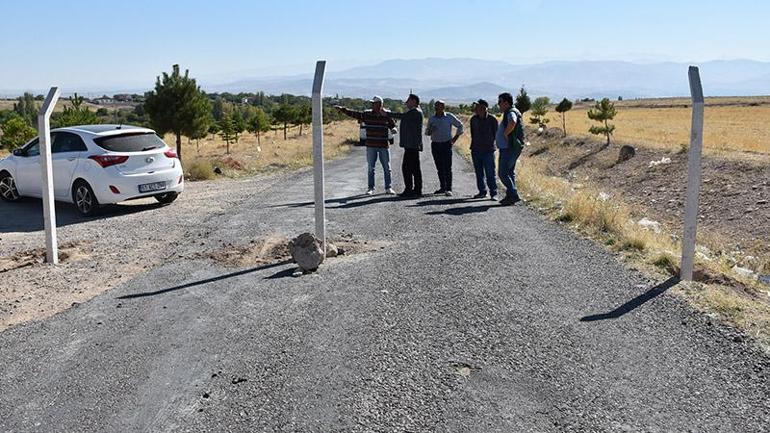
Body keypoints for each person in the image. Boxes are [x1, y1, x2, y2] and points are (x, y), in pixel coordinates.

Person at [336, 96, 396, 195]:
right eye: (372, 103)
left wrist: (394, 129)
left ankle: (388, 188)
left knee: (386, 167)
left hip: (383, 145)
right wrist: (343, 110)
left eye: (374, 103)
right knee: (371, 168)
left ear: (380, 104)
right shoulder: (367, 114)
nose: (372, 105)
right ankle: (370, 188)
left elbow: (392, 125)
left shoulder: (386, 115)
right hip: (371, 145)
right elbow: (354, 114)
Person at [386, 93, 424, 198]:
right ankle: (415, 190)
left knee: (408, 168)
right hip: (411, 145)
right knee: (413, 168)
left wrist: (387, 113)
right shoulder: (414, 112)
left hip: (412, 145)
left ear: (414, 101)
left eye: (408, 100)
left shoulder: (415, 112)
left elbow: (401, 116)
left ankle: (412, 190)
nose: (406, 102)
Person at [425, 100, 463, 196]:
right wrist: (430, 130)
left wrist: (455, 138)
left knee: (447, 167)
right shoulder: (432, 118)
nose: (436, 108)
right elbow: (427, 133)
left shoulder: (449, 117)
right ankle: (443, 187)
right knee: (439, 167)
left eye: (438, 106)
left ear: (443, 107)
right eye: (435, 106)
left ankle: (448, 188)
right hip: (435, 144)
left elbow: (460, 125)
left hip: (446, 144)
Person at [495, 92, 524, 205]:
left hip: (509, 147)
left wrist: (506, 134)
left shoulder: (511, 112)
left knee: (502, 173)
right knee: (509, 172)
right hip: (510, 147)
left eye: (500, 102)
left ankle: (514, 194)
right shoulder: (511, 111)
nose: (499, 105)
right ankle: (510, 196)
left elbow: (512, 121)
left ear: (506, 103)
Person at [469, 99, 499, 200]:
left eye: (478, 107)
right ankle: (482, 192)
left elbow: (496, 134)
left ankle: (493, 193)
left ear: (484, 108)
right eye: (476, 107)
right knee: (479, 173)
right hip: (476, 149)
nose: (476, 109)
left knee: (490, 173)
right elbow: (473, 133)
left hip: (488, 150)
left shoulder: (492, 119)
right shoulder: (473, 119)